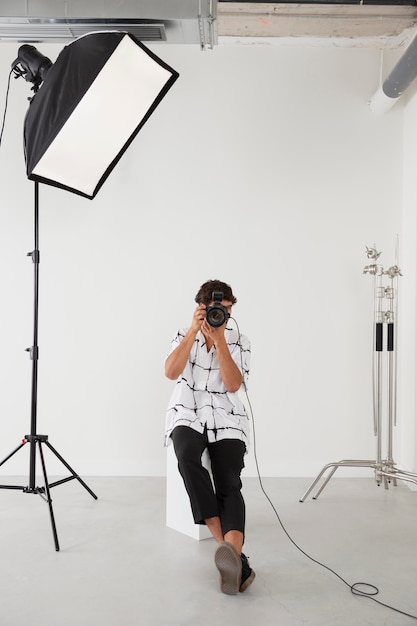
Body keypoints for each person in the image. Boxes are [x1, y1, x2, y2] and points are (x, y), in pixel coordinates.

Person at [164, 279, 255, 595]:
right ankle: (232, 553)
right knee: (187, 457)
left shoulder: (239, 340)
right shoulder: (182, 335)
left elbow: (232, 385)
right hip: (187, 413)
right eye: (215, 310)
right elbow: (171, 373)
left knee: (229, 478)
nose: (221, 316)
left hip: (226, 416)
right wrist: (193, 332)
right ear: (200, 309)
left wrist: (221, 342)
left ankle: (230, 555)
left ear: (231, 309)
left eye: (226, 311)